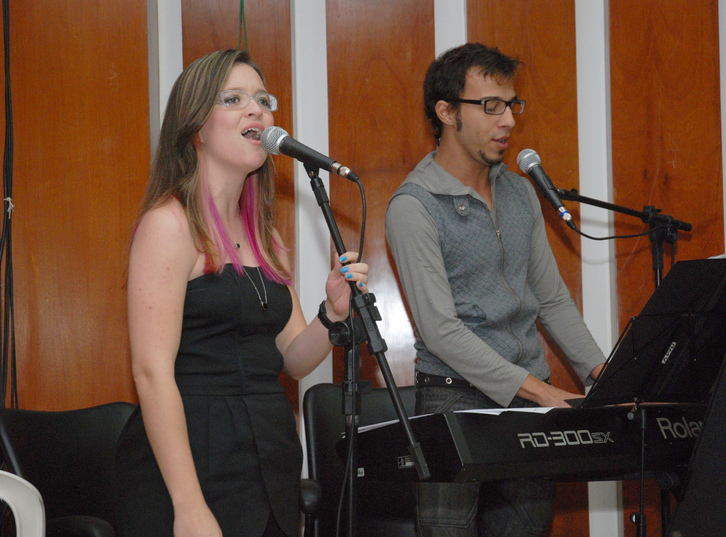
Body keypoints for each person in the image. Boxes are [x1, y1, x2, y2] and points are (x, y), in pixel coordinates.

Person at [114, 49, 368, 537]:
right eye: (233, 99)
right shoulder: (168, 225)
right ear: (195, 126)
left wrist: (332, 314)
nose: (257, 110)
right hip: (192, 461)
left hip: (266, 459)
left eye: (263, 100)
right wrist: (188, 506)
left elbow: (294, 359)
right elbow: (150, 373)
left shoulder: (265, 236)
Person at [385, 43, 606, 537]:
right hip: (453, 402)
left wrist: (606, 376)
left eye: (510, 104)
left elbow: (552, 300)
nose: (507, 120)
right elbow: (441, 332)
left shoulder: (520, 191)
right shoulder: (413, 206)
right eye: (490, 106)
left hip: (528, 400)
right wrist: (542, 391)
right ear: (446, 112)